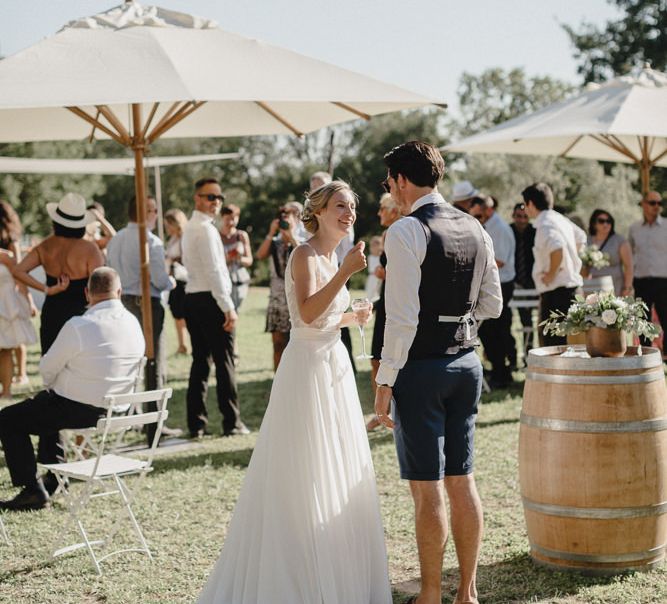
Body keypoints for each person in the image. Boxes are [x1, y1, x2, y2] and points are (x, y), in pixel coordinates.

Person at [196, 180, 391, 604]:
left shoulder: (335, 253)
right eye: (341, 206)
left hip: (333, 364)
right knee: (304, 465)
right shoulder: (304, 254)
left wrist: (351, 315)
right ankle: (300, 565)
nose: (349, 214)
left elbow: (325, 318)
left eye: (352, 208)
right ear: (318, 210)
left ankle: (333, 553)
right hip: (305, 370)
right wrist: (346, 274)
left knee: (333, 461)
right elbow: (303, 315)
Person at [374, 141, 502, 604]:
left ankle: (430, 595)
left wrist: (385, 380)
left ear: (402, 180)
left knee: (428, 491)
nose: (389, 189)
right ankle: (466, 594)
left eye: (389, 182)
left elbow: (402, 317)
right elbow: (493, 303)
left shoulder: (406, 232)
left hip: (422, 369)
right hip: (467, 365)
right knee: (463, 480)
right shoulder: (476, 226)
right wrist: (458, 321)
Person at [0, 267, 145, 511]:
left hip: (80, 410)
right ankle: (55, 477)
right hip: (118, 409)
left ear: (87, 293)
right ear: (118, 292)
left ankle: (32, 489)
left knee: (7, 419)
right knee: (47, 402)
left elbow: (47, 368)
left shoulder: (79, 325)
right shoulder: (133, 322)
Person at [182, 178, 248, 438]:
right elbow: (215, 271)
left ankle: (197, 424)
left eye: (219, 198)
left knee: (200, 362)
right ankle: (231, 422)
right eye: (211, 197)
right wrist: (228, 306)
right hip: (210, 299)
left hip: (193, 298)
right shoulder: (206, 230)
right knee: (224, 362)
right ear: (197, 198)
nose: (216, 202)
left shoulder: (191, 227)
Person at [13, 193, 104, 354]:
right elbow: (100, 284)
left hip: (52, 312)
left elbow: (18, 271)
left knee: (51, 364)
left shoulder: (46, 246)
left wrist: (47, 289)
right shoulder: (90, 249)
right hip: (81, 314)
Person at [107, 193, 174, 389]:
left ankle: (129, 410)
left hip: (121, 304)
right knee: (153, 361)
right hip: (146, 305)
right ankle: (153, 416)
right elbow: (160, 281)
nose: (156, 215)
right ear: (144, 213)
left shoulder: (115, 239)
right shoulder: (151, 242)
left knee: (127, 359)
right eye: (154, 210)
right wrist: (171, 281)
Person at [522, 183, 586, 347]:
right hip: (572, 291)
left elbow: (558, 248)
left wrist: (552, 273)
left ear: (530, 203)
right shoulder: (559, 218)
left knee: (554, 349)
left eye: (524, 205)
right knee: (574, 347)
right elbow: (581, 237)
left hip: (557, 296)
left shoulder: (545, 224)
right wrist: (570, 262)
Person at [366, 191, 401, 432]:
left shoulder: (397, 233)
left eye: (382, 208)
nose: (379, 213)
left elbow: (405, 275)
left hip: (394, 304)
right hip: (386, 301)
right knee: (377, 358)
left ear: (394, 210)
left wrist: (384, 274)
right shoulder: (389, 234)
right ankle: (382, 412)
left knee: (381, 358)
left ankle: (385, 413)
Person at [255, 202, 303, 370]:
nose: (284, 221)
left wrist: (291, 236)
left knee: (297, 343)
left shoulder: (302, 242)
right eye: (282, 217)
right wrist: (271, 233)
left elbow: (306, 258)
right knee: (278, 343)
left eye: (288, 217)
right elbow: (260, 255)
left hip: (297, 299)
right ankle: (278, 379)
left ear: (297, 220)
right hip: (277, 299)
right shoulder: (274, 242)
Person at [475, 195, 516, 388]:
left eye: (478, 214)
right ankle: (498, 370)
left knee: (496, 330)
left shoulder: (498, 228)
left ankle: (502, 372)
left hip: (502, 283)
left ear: (488, 210)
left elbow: (498, 260)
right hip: (495, 282)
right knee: (490, 331)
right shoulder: (491, 226)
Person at [0, 200, 36, 391]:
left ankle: (14, 381)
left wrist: (28, 300)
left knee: (10, 342)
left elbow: (21, 273)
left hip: (7, 300)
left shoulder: (11, 244)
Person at [628, 191, 667, 348]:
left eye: (659, 203)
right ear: (643, 205)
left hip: (664, 280)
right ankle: (645, 356)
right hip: (641, 281)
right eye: (652, 203)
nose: (656, 206)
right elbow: (629, 255)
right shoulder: (634, 228)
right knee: (643, 320)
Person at [510, 202, 536, 361]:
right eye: (518, 216)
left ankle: (529, 355)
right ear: (513, 216)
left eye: (525, 216)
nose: (521, 220)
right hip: (512, 281)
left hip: (531, 283)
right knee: (510, 321)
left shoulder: (535, 232)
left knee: (528, 322)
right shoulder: (508, 231)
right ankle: (512, 357)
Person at [585, 209, 633, 296]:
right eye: (601, 221)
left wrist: (627, 287)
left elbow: (628, 266)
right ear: (594, 223)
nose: (605, 224)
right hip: (591, 287)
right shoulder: (587, 240)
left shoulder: (619, 240)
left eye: (608, 221)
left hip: (615, 286)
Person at [164, 208, 190, 355]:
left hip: (183, 280)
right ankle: (182, 345)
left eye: (168, 224)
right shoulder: (172, 239)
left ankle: (187, 344)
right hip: (174, 280)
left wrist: (172, 260)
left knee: (184, 315)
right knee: (177, 315)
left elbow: (187, 260)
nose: (167, 228)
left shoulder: (184, 239)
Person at [219, 203, 253, 310]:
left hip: (238, 281)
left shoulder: (241, 236)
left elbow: (249, 260)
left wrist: (239, 258)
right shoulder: (216, 236)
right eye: (228, 218)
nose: (231, 222)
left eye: (234, 218)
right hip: (221, 280)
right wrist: (228, 258)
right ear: (222, 218)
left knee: (234, 312)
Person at [365, 235, 383, 302]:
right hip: (372, 276)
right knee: (370, 291)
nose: (373, 247)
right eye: (372, 246)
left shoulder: (381, 257)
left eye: (375, 245)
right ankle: (369, 303)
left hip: (379, 277)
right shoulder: (370, 257)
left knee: (378, 292)